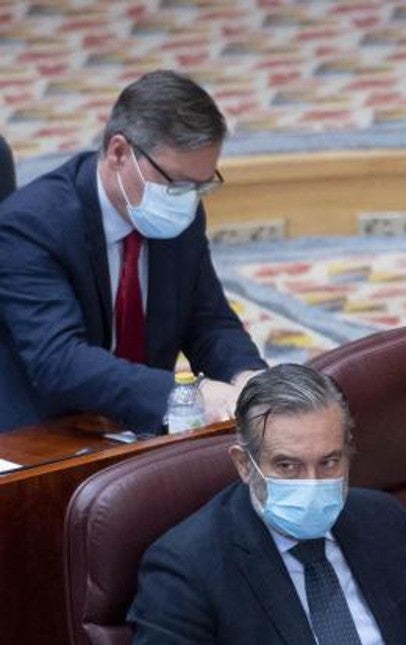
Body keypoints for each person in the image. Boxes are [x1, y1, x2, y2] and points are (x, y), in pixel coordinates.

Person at [126, 364, 406, 645]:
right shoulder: (186, 570)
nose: (312, 483)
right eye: (288, 466)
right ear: (244, 465)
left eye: (329, 462)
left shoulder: (383, 523)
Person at [0, 70, 266, 434]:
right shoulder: (31, 225)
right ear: (119, 153)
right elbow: (59, 361)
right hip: (47, 435)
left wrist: (248, 377)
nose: (188, 199)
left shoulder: (179, 214)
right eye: (176, 183)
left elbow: (207, 320)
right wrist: (191, 393)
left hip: (141, 427)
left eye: (201, 186)